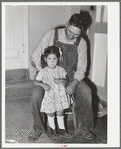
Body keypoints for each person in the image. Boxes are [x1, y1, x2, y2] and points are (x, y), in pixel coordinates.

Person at [28, 10, 96, 142]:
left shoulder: (81, 43)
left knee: (86, 91)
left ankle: (84, 128)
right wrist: (44, 72)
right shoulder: (52, 34)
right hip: (48, 75)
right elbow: (35, 56)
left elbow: (82, 67)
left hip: (70, 76)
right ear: (67, 24)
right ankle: (38, 128)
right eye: (70, 31)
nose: (71, 37)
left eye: (76, 34)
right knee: (36, 95)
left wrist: (74, 82)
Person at [34, 46, 73, 138]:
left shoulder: (60, 69)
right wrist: (43, 85)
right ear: (45, 59)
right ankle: (52, 129)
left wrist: (62, 80)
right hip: (50, 96)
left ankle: (62, 129)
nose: (52, 61)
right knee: (50, 112)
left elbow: (66, 79)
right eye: (49, 59)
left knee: (60, 112)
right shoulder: (43, 71)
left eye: (55, 59)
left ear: (58, 59)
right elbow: (35, 81)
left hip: (60, 95)